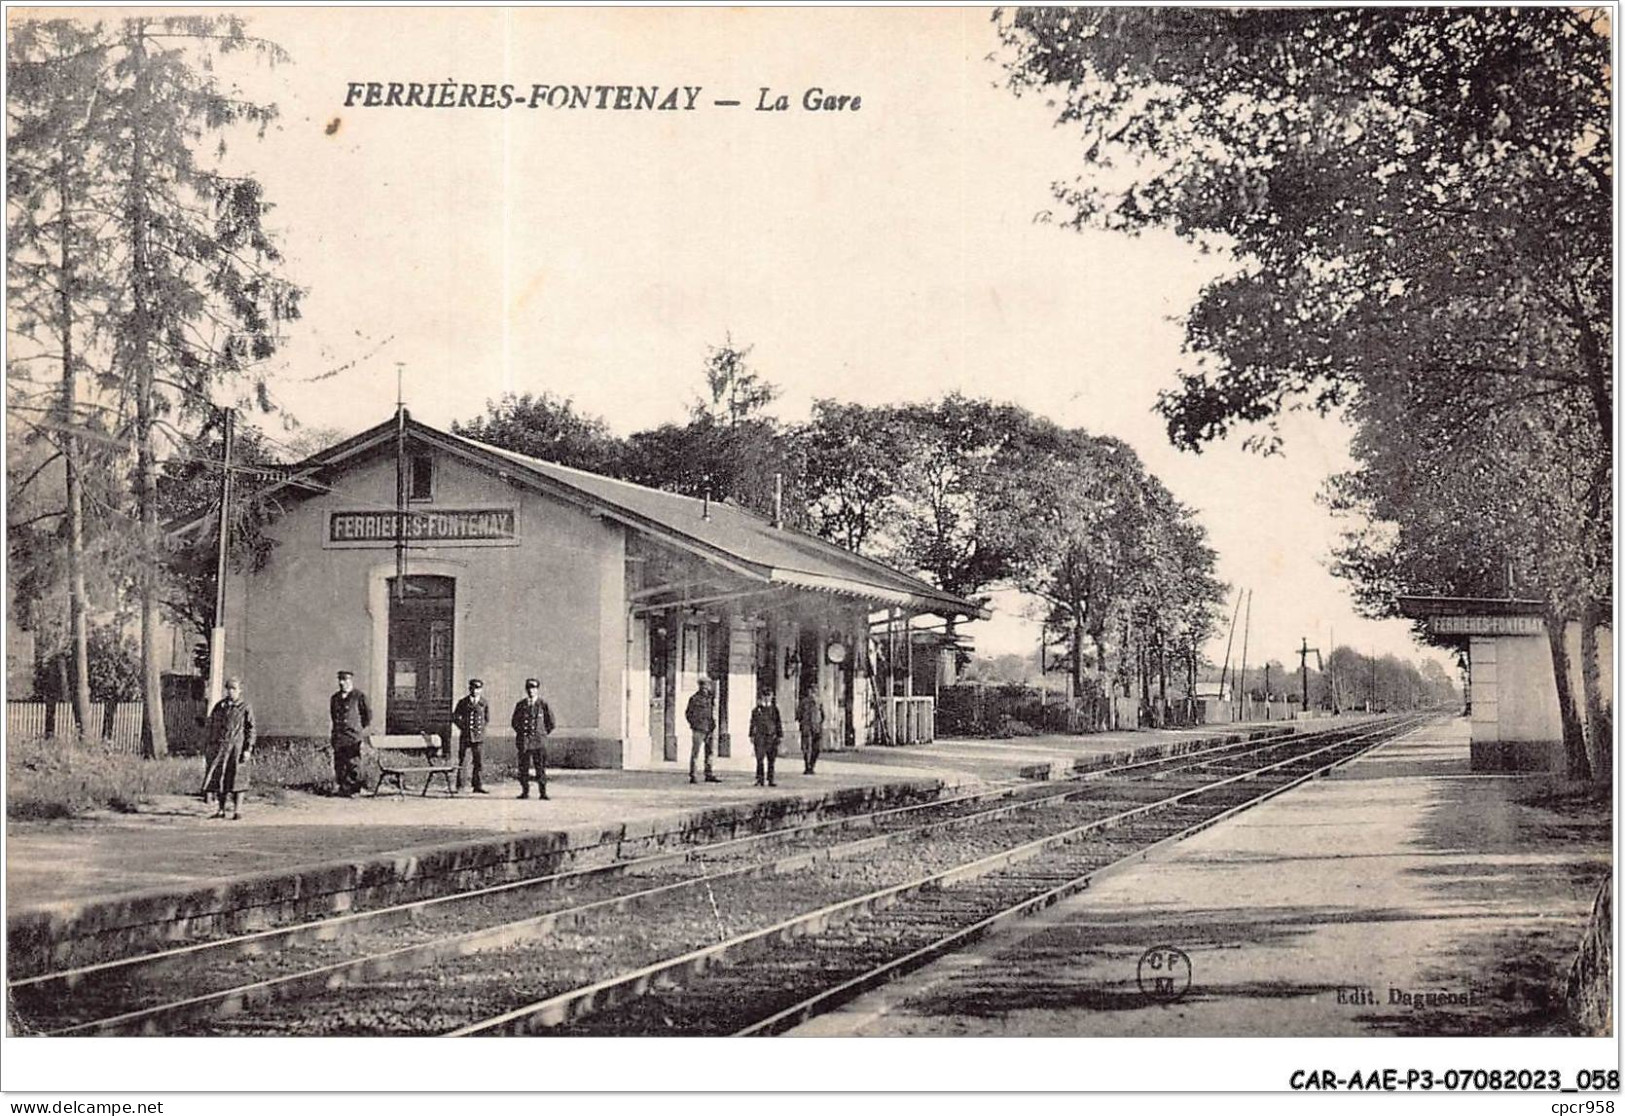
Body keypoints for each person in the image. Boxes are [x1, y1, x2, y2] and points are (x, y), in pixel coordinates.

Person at [201, 677, 255, 820]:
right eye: (229, 688)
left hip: (238, 748)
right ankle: (221, 809)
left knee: (238, 779)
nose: (231, 691)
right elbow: (212, 726)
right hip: (222, 748)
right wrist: (210, 745)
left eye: (234, 689)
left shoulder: (244, 707)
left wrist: (248, 749)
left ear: (239, 690)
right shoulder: (220, 706)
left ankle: (237, 811)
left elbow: (251, 729)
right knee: (220, 778)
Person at [511, 677, 555, 800]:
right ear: (526, 689)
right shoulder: (520, 705)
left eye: (534, 688)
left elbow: (551, 723)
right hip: (524, 741)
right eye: (529, 688)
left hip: (539, 742)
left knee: (540, 767)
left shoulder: (543, 704)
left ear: (537, 690)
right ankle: (525, 791)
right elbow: (514, 722)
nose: (531, 691)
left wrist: (541, 734)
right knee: (523, 768)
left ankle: (543, 792)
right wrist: (522, 734)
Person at [329, 670, 371, 796]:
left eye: (345, 680)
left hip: (353, 736)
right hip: (339, 735)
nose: (342, 683)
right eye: (340, 680)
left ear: (351, 680)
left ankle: (354, 789)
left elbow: (367, 716)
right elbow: (333, 716)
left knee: (353, 763)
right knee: (339, 763)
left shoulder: (359, 696)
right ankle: (343, 787)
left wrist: (357, 729)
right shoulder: (335, 698)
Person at [450, 678, 490, 794]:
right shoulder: (463, 702)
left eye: (478, 689)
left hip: (478, 737)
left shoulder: (484, 703)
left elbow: (486, 719)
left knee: (478, 762)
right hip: (466, 736)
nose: (475, 691)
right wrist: (463, 727)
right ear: (469, 689)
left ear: (481, 690)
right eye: (473, 688)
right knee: (463, 761)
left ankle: (478, 785)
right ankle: (460, 785)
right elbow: (455, 717)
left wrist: (480, 730)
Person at [685, 678, 720, 784]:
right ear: (700, 686)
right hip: (698, 729)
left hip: (709, 728)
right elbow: (688, 713)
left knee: (709, 752)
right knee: (695, 752)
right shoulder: (694, 699)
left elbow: (711, 713)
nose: (705, 688)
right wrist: (694, 724)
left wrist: (713, 725)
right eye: (703, 686)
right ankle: (693, 775)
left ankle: (708, 773)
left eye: (707, 686)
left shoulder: (710, 698)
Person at [749, 689, 783, 787]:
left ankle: (770, 779)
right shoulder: (756, 710)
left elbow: (778, 723)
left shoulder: (774, 710)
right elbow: (752, 723)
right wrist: (751, 735)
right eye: (765, 696)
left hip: (772, 737)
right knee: (760, 759)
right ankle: (760, 779)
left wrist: (780, 735)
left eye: (769, 696)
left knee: (771, 759)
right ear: (762, 697)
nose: (767, 698)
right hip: (760, 737)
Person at [797, 688, 825, 775]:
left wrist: (819, 724)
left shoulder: (819, 702)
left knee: (817, 748)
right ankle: (807, 767)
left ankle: (812, 766)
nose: (812, 694)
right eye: (811, 692)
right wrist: (803, 724)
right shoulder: (803, 702)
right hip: (807, 728)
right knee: (807, 748)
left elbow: (823, 715)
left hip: (816, 728)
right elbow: (799, 714)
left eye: (814, 692)